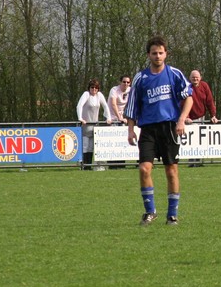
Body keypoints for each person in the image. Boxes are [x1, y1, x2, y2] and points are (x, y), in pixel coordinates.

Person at [124, 35, 193, 226]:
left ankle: (172, 215)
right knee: (144, 168)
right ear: (148, 55)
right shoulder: (141, 78)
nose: (157, 56)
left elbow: (188, 97)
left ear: (166, 54)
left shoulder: (174, 74)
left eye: (161, 53)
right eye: (154, 53)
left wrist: (181, 120)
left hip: (169, 127)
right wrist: (130, 130)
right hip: (148, 129)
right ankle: (150, 212)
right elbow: (132, 106)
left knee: (171, 171)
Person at [76, 78, 111, 170]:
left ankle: (89, 165)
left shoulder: (99, 95)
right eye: (92, 87)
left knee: (91, 147)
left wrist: (108, 118)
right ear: (89, 88)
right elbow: (79, 106)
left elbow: (105, 106)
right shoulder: (86, 94)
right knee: (85, 146)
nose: (94, 89)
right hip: (86, 125)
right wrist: (80, 118)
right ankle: (84, 166)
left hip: (94, 125)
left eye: (96, 88)